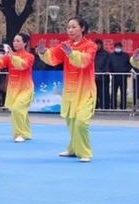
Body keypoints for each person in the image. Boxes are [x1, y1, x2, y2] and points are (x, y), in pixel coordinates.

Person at [36, 17, 97, 163]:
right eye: (68, 27)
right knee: (71, 121)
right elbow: (53, 58)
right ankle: (73, 148)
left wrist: (72, 54)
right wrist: (44, 52)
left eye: (74, 27)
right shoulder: (64, 45)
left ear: (82, 28)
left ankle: (85, 152)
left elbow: (85, 60)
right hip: (70, 90)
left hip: (85, 90)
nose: (70, 30)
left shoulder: (91, 45)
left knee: (81, 122)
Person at [0, 33, 36, 143]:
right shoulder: (9, 56)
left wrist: (13, 57)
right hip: (14, 89)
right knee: (21, 111)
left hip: (26, 88)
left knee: (17, 109)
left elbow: (22, 65)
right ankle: (26, 133)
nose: (15, 43)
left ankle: (19, 133)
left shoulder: (29, 56)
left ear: (25, 43)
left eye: (18, 41)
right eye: (14, 41)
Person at [109, 42, 131, 110]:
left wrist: (126, 70)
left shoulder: (126, 55)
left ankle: (123, 107)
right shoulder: (111, 56)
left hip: (123, 76)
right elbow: (108, 64)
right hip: (115, 76)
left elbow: (130, 64)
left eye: (119, 47)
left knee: (123, 92)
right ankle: (113, 106)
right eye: (116, 47)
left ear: (121, 47)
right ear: (114, 47)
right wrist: (111, 71)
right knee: (113, 92)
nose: (118, 48)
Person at [94, 39, 111, 110]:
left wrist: (106, 71)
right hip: (93, 76)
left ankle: (105, 107)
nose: (97, 46)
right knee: (94, 93)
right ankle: (94, 107)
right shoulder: (92, 53)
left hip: (103, 76)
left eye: (99, 44)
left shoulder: (106, 54)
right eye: (96, 45)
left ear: (101, 45)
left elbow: (108, 64)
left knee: (104, 92)